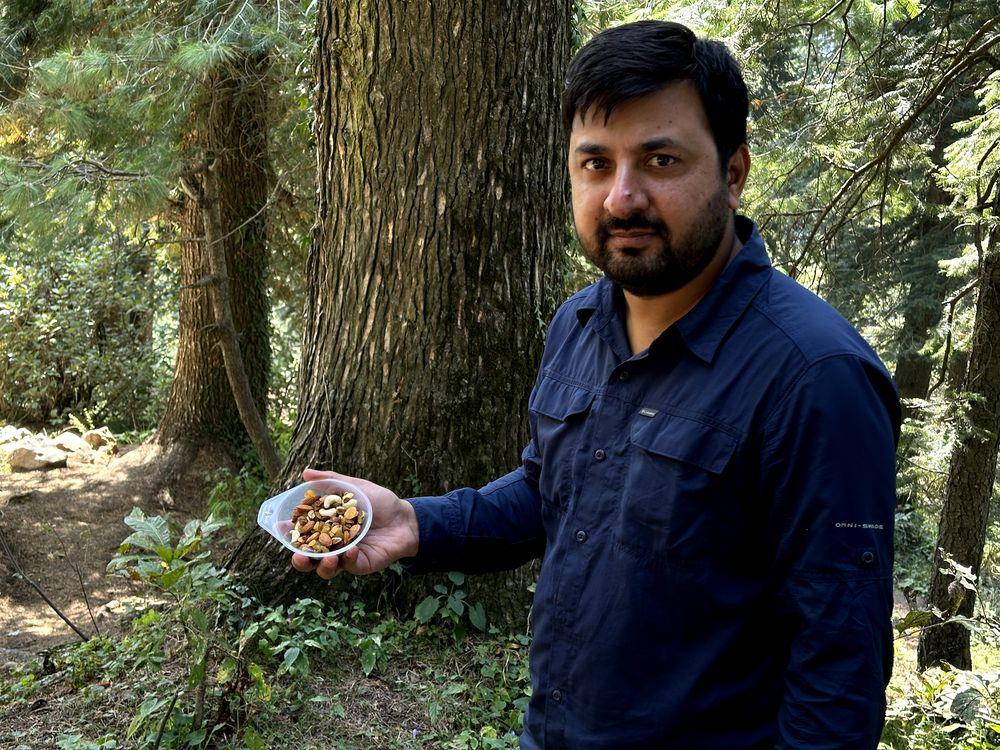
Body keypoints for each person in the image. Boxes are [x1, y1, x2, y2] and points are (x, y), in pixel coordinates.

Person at [292, 20, 900, 750]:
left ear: (733, 173)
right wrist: (413, 525)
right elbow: (550, 494)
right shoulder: (579, 324)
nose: (621, 197)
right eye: (594, 164)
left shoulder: (816, 378)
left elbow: (838, 671)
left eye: (661, 160)